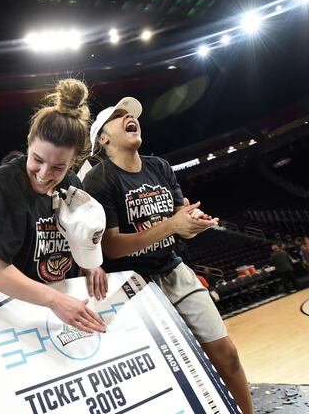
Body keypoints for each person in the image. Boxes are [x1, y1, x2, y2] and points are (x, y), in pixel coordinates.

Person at [82, 96, 254, 414]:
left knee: (226, 353)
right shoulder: (99, 179)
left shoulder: (159, 166)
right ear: (102, 138)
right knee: (167, 374)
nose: (129, 118)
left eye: (131, 115)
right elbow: (110, 246)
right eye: (118, 117)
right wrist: (171, 225)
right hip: (134, 287)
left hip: (174, 269)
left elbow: (180, 219)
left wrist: (193, 223)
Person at [0, 78, 108, 334]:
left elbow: (77, 233)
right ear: (29, 143)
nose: (44, 174)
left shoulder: (73, 183)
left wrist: (90, 263)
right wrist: (53, 300)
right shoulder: (5, 181)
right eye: (37, 159)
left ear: (73, 162)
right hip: (15, 311)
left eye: (58, 167)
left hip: (61, 305)